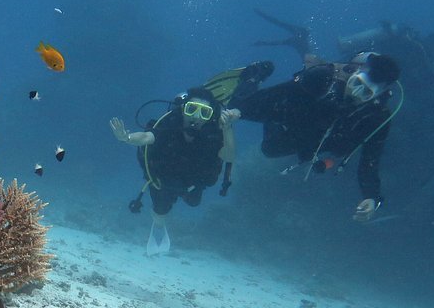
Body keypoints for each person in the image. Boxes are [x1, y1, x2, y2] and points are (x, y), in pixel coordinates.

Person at [110, 62, 274, 254]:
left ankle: (252, 79)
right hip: (163, 177)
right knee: (161, 210)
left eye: (204, 113)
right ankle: (159, 227)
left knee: (193, 201)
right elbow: (147, 137)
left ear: (210, 116)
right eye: (192, 109)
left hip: (194, 180)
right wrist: (126, 137)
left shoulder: (215, 131)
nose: (196, 117)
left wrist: (227, 127)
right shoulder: (172, 123)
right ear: (183, 109)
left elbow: (229, 156)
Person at [237, 52, 403, 222]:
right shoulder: (323, 76)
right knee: (240, 106)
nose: (355, 93)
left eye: (366, 93)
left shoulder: (377, 117)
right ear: (355, 73)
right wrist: (250, 112)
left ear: (378, 94)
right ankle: (256, 74)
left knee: (270, 150)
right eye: (356, 84)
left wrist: (371, 197)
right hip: (293, 111)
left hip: (314, 138)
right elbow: (280, 93)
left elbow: (370, 160)